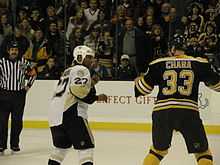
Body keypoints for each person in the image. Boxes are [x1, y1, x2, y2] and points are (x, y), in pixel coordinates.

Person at [134, 34, 220, 165]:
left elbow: (143, 90)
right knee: (202, 152)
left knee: (158, 151)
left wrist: (138, 81)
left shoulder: (158, 64)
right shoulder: (199, 63)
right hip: (188, 112)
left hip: (162, 113)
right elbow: (217, 85)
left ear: (172, 49)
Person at [48, 45, 108, 165]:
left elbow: (69, 90)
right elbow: (78, 90)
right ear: (80, 57)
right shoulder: (81, 69)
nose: (92, 60)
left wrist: (90, 84)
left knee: (60, 150)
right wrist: (96, 97)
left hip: (55, 117)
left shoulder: (67, 71)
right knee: (86, 149)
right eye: (89, 57)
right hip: (71, 114)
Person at [0, 42, 37, 154]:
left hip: (18, 96)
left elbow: (34, 73)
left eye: (15, 49)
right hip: (4, 94)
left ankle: (14, 144)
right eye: (12, 49)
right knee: (2, 121)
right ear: (8, 51)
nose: (14, 51)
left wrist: (28, 86)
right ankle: (1, 144)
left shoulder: (23, 63)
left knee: (17, 121)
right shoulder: (1, 62)